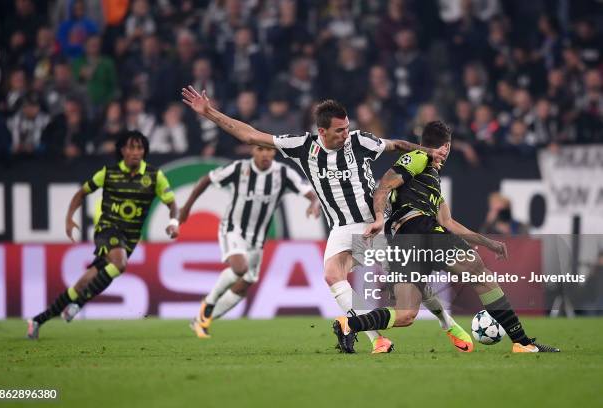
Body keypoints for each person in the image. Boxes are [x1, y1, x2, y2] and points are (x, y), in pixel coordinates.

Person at [181, 86, 463, 354]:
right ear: (322, 131)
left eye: (347, 127)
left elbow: (398, 144)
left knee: (411, 285)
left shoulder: (360, 140)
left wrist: (427, 152)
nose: (345, 134)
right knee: (331, 274)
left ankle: (447, 323)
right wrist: (209, 112)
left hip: (375, 223)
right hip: (341, 228)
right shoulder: (303, 146)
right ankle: (378, 340)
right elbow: (251, 135)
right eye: (340, 130)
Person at [333, 121, 560, 353]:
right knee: (479, 274)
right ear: (447, 147)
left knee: (406, 314)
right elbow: (383, 187)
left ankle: (349, 324)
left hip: (404, 241)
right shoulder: (419, 157)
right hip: (418, 229)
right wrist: (379, 217)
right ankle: (522, 342)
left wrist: (487, 242)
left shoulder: (430, 179)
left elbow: (448, 222)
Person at [27, 131, 179, 339]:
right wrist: (69, 217)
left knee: (85, 282)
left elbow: (172, 205)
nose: (136, 152)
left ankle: (38, 320)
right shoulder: (107, 173)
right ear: (122, 150)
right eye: (131, 147)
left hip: (130, 237)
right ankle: (78, 304)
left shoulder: (155, 176)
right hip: (107, 228)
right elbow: (82, 193)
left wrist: (173, 223)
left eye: (140, 148)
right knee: (119, 264)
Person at [179, 145, 320, 338]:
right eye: (260, 149)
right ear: (252, 150)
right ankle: (208, 304)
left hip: (257, 239)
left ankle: (200, 321)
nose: (265, 154)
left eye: (269, 150)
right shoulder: (238, 168)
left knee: (244, 284)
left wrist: (313, 203)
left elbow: (309, 193)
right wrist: (187, 207)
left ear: (274, 153)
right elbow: (207, 179)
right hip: (233, 229)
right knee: (239, 268)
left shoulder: (283, 173)